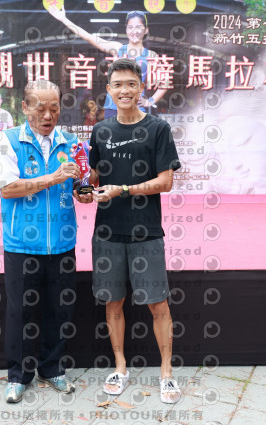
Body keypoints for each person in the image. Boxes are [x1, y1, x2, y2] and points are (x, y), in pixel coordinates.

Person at [0, 80, 91, 403]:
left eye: (54, 108)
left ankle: (52, 368)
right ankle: (17, 376)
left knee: (59, 310)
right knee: (19, 312)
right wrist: (53, 177)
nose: (48, 115)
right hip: (21, 244)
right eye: (40, 108)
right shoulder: (8, 140)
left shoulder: (71, 143)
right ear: (24, 107)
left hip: (62, 243)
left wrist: (84, 191)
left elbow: (79, 185)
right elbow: (7, 188)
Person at [88, 58, 182, 403]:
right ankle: (120, 367)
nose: (124, 91)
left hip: (147, 232)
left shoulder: (158, 129)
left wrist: (123, 190)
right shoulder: (101, 131)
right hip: (107, 232)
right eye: (118, 85)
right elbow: (94, 177)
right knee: (113, 303)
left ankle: (167, 373)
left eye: (131, 84)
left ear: (141, 88)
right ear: (109, 90)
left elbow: (166, 182)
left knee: (158, 304)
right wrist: (84, 189)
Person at [48, 6, 169, 118]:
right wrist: (64, 19)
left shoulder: (151, 56)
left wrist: (150, 101)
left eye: (138, 27)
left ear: (146, 30)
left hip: (135, 109)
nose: (134, 31)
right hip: (113, 108)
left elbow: (165, 83)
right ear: (126, 29)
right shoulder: (118, 48)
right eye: (130, 27)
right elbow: (89, 37)